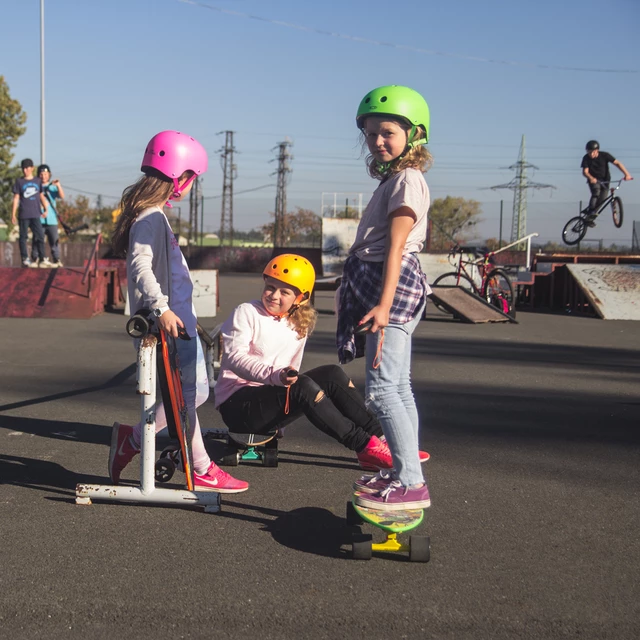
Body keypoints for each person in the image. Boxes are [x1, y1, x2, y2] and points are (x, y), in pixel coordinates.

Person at [108, 130, 248, 493]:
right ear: (176, 173)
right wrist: (164, 309)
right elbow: (141, 267)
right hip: (165, 327)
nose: (188, 185)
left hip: (178, 324)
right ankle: (198, 465)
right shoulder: (150, 217)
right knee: (185, 398)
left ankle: (134, 441)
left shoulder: (153, 216)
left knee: (190, 396)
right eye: (189, 176)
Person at [214, 254, 429, 471]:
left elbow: (292, 371)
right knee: (303, 385)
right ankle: (364, 447)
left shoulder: (298, 325)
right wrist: (276, 375)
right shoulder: (246, 312)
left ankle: (385, 440)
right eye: (270, 287)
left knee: (331, 374)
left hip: (268, 401)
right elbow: (234, 358)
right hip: (238, 405)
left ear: (301, 297)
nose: (273, 295)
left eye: (284, 292)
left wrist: (281, 410)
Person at [336, 85, 432, 512]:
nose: (377, 141)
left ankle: (411, 481)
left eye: (388, 132)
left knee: (381, 391)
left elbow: (396, 247)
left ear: (414, 135)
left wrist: (385, 304)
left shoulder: (408, 180)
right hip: (387, 285)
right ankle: (403, 470)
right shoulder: (398, 178)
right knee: (400, 387)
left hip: (389, 287)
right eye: (372, 133)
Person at [581, 140, 633, 223]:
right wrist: (591, 178)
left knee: (602, 200)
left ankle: (590, 219)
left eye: (593, 152)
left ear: (597, 150)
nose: (591, 154)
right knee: (596, 192)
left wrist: (627, 174)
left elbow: (617, 164)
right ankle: (590, 210)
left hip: (605, 180)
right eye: (589, 152)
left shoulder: (605, 155)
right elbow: (585, 172)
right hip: (594, 180)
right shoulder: (586, 158)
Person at [11, 158, 48, 268]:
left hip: (35, 213)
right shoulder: (19, 182)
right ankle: (25, 258)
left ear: (32, 168)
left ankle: (42, 258)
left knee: (40, 236)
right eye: (23, 168)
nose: (25, 170)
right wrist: (13, 214)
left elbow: (41, 195)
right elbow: (16, 198)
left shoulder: (37, 181)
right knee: (23, 237)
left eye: (27, 168)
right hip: (24, 214)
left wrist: (45, 208)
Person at [33, 164, 64, 267]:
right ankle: (35, 258)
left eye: (45, 174)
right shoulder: (35, 187)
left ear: (49, 175)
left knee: (54, 240)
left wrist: (58, 185)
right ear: (38, 175)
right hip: (39, 219)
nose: (43, 176)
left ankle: (56, 259)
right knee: (37, 239)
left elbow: (62, 196)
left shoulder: (51, 187)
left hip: (51, 220)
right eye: (41, 174)